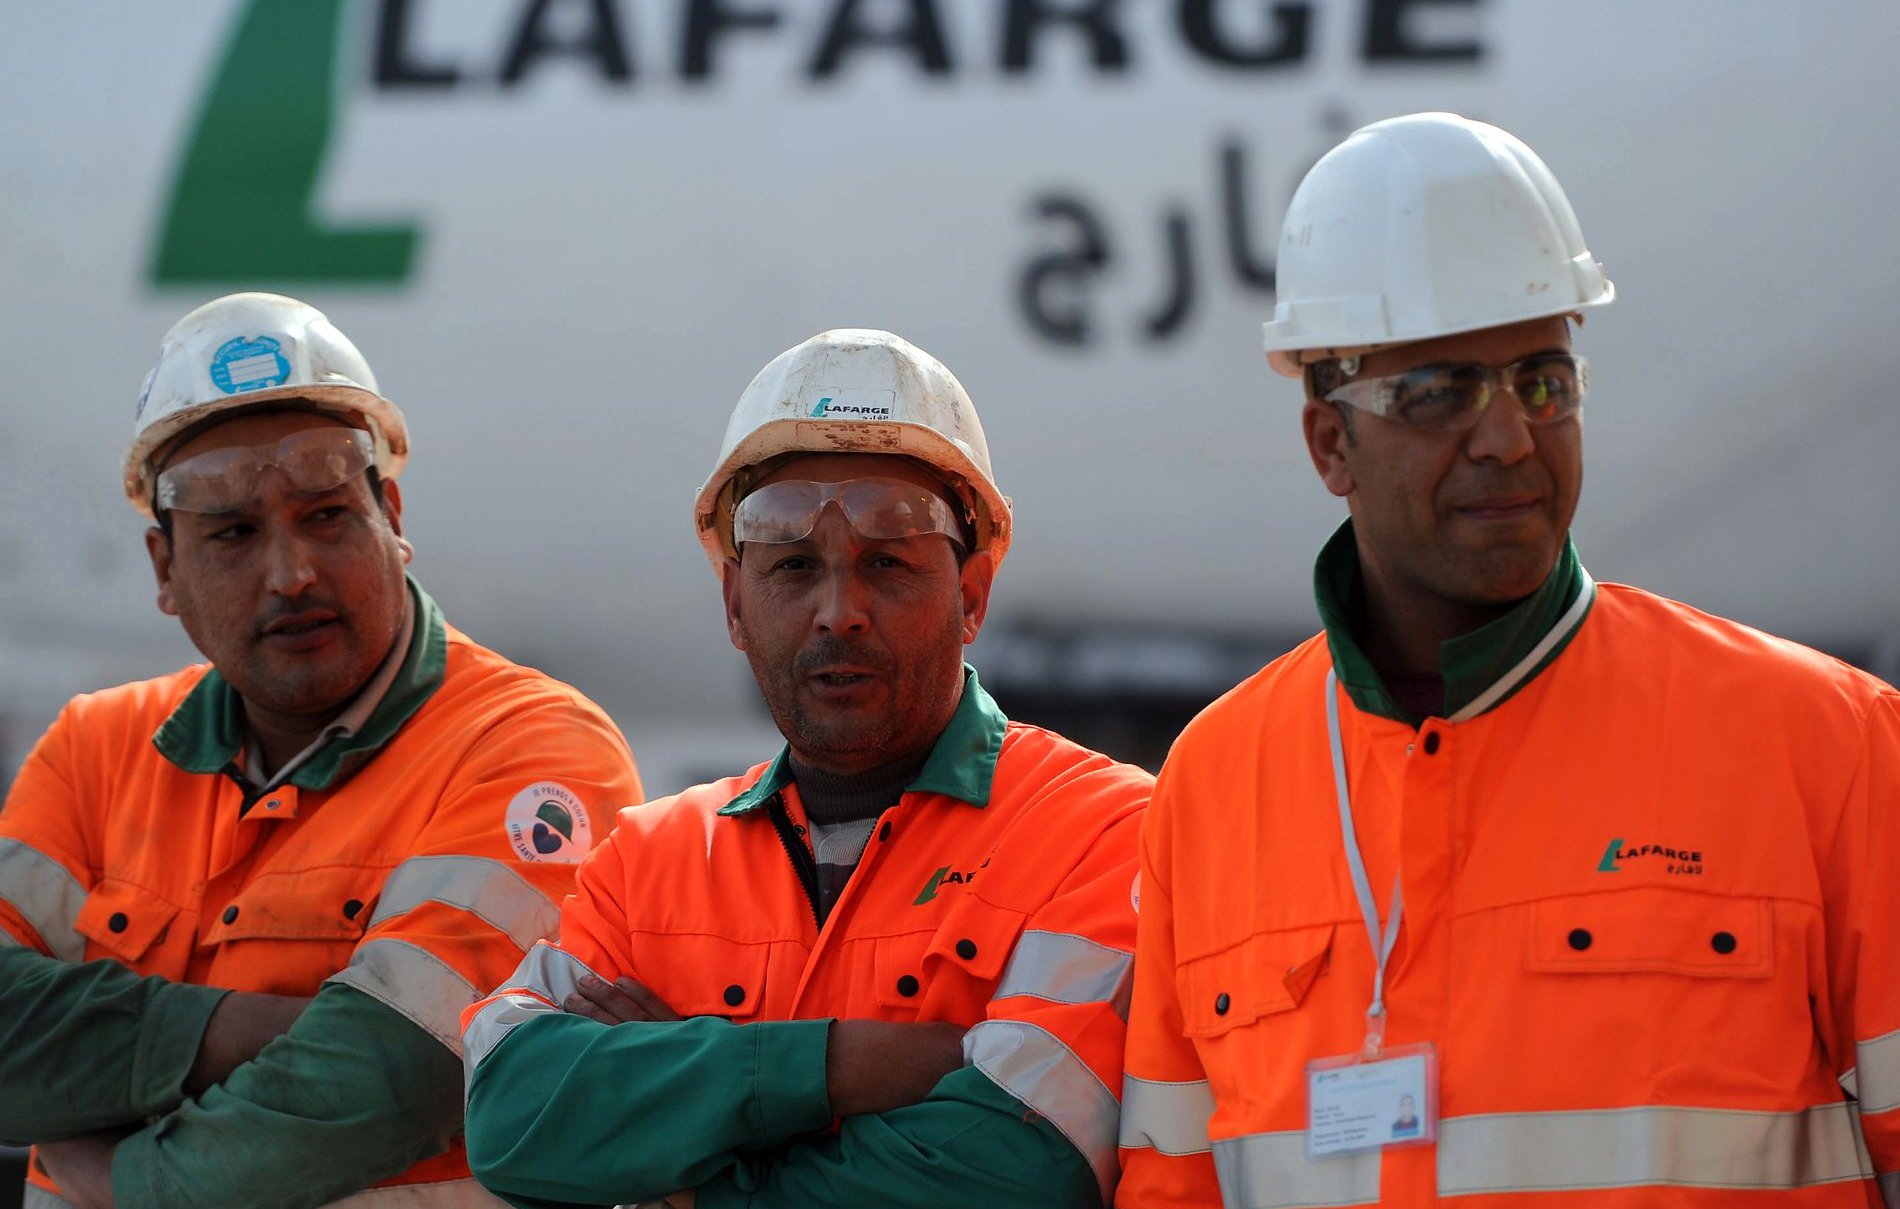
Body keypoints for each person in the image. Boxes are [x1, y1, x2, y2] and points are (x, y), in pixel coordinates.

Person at [1116, 112, 1900, 1206]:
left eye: (1542, 380)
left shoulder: (1825, 745)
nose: (1508, 437)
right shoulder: (1212, 783)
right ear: (1329, 444)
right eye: (1437, 393)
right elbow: (1174, 1182)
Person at [462, 328, 1152, 1209]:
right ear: (734, 605)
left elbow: (1016, 1167)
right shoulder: (650, 861)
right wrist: (842, 1064)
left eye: (889, 564)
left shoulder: (1101, 830)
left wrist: (689, 1167)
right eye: (792, 567)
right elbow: (513, 1114)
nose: (839, 612)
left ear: (972, 594)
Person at [0, 292, 643, 1209]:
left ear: (391, 511)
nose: (291, 572)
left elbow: (393, 1079)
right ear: (163, 571)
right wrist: (253, 1028)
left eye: (328, 514)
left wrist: (129, 1176)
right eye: (232, 533)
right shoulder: (94, 747)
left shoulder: (532, 749)